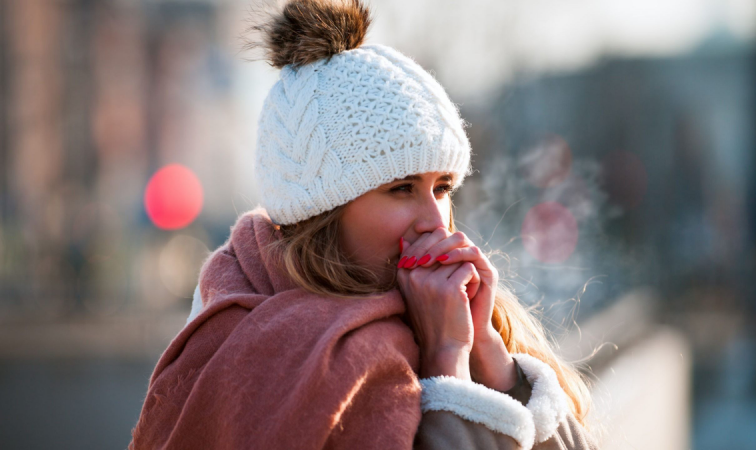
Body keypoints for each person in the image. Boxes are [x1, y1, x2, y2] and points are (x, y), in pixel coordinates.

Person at [130, 0, 600, 448]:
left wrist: (492, 358)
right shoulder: (247, 343)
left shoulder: (464, 315)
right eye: (401, 188)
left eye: (442, 188)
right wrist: (446, 366)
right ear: (323, 213)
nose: (436, 220)